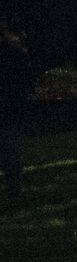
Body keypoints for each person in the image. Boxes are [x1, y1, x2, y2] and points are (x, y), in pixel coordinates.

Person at [0, 16, 31, 209]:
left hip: (8, 109)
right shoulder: (15, 52)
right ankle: (13, 187)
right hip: (10, 109)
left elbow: (22, 83)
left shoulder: (12, 53)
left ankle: (14, 188)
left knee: (10, 150)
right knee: (10, 149)